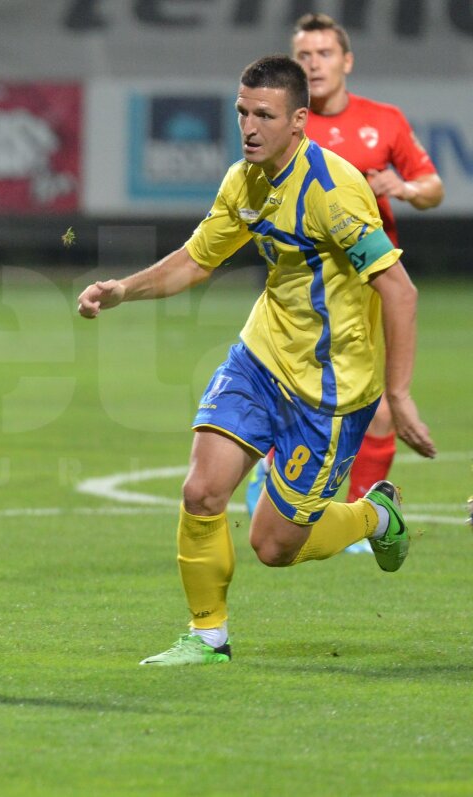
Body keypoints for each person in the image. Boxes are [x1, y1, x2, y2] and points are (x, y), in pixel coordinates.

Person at [77, 55, 436, 666]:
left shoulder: (333, 193)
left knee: (274, 546)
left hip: (331, 390)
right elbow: (196, 260)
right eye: (242, 111)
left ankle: (376, 516)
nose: (248, 125)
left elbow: (399, 289)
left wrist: (398, 395)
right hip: (261, 358)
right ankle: (207, 635)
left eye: (264, 115)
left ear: (298, 121)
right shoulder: (243, 180)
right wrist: (123, 290)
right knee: (202, 491)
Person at [249, 13, 445, 528]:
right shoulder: (286, 123)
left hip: (372, 285)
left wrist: (402, 188)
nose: (314, 64)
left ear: (347, 61)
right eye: (304, 56)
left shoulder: (384, 121)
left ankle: (354, 512)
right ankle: (333, 504)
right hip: (308, 288)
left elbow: (433, 188)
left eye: (324, 53)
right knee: (316, 398)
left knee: (375, 410)